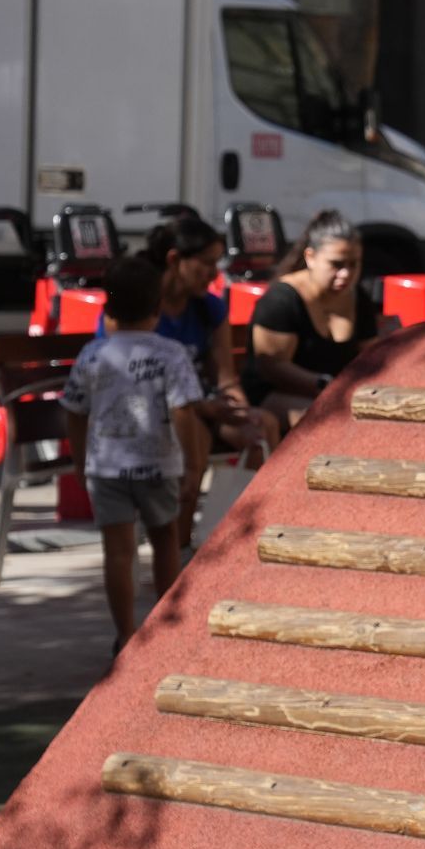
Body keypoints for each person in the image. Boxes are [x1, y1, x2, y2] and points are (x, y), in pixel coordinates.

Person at [62, 257, 203, 654]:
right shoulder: (171, 353)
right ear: (158, 307)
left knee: (118, 553)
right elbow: (184, 411)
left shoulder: (92, 355)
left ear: (106, 309)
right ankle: (166, 625)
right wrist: (192, 463)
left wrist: (79, 459)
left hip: (106, 468)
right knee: (165, 543)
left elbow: (73, 411)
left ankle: (125, 633)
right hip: (159, 463)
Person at [113, 217, 279, 548]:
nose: (214, 273)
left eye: (217, 263)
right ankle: (180, 548)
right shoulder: (140, 304)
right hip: (148, 412)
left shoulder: (208, 307)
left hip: (200, 407)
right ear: (175, 259)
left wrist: (242, 413)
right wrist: (208, 407)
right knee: (194, 436)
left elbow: (226, 377)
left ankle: (244, 539)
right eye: (206, 263)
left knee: (265, 425)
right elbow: (129, 378)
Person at [243, 209, 379, 430]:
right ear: (310, 257)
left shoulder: (358, 298)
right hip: (275, 394)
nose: (346, 274)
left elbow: (370, 357)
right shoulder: (282, 299)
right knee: (330, 422)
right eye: (337, 264)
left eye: (354, 264)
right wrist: (325, 385)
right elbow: (273, 368)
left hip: (338, 396)